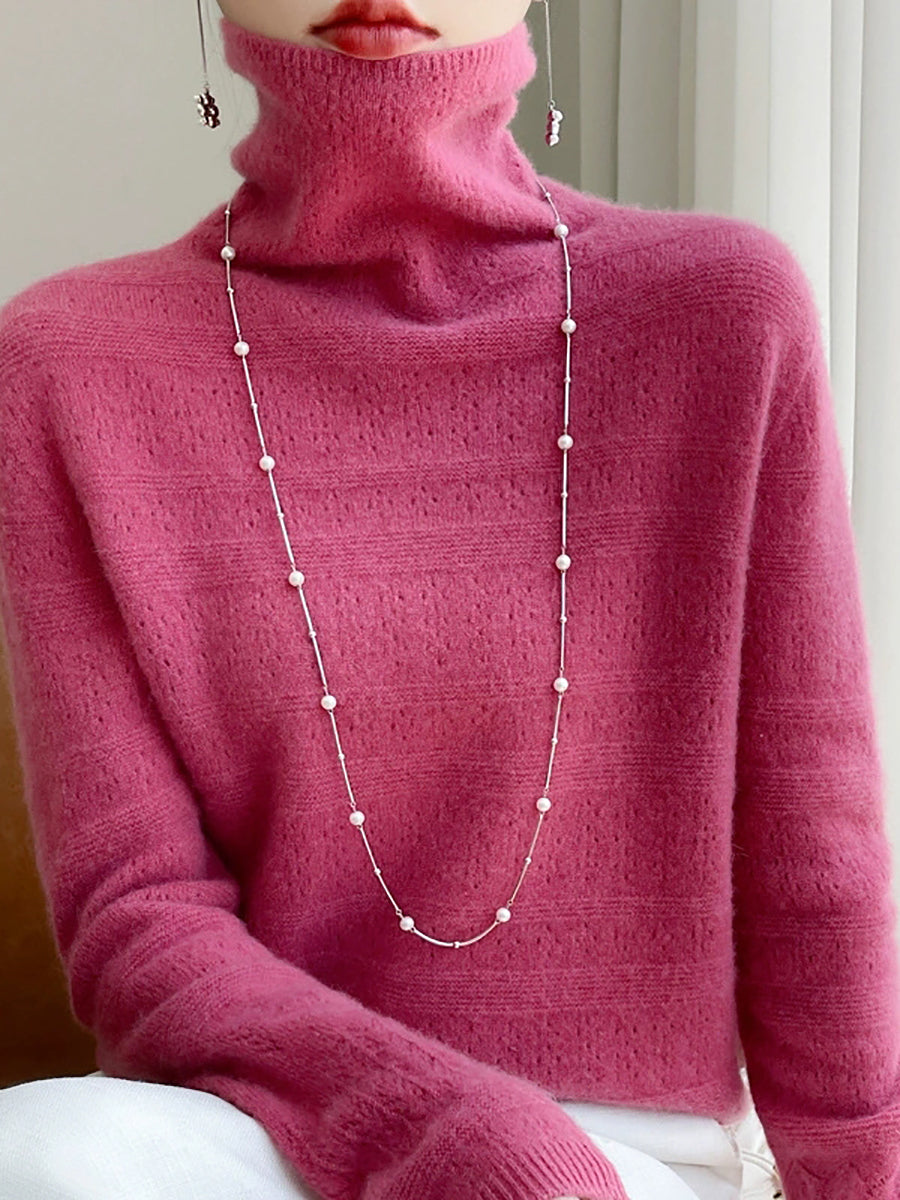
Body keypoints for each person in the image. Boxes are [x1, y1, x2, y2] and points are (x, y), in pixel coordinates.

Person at [0, 1, 897, 1197]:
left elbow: (816, 855)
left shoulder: (723, 313)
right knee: (34, 1153)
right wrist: (442, 1130)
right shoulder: (68, 364)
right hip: (265, 1130)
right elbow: (138, 919)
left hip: (625, 1158)